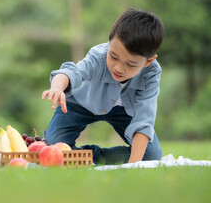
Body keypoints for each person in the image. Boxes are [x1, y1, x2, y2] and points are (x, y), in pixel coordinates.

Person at [41, 9, 165, 164]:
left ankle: (90, 157)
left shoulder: (151, 73)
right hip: (80, 105)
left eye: (130, 64)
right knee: (53, 148)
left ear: (148, 61)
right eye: (113, 56)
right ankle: (75, 156)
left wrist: (134, 165)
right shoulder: (98, 55)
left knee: (151, 156)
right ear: (109, 42)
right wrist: (57, 88)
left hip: (124, 112)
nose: (118, 68)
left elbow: (144, 120)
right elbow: (71, 72)